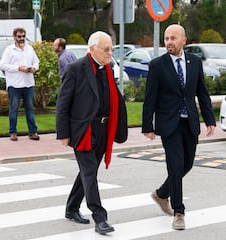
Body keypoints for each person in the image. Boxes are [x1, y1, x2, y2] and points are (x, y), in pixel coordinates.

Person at [142, 24, 216, 230]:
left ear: (184, 40)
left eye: (173, 38)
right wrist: (148, 125)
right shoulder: (157, 65)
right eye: (166, 39)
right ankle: (179, 211)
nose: (169, 42)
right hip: (169, 123)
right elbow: (150, 98)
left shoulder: (195, 62)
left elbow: (202, 92)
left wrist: (209, 119)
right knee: (175, 166)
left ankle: (161, 193)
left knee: (187, 165)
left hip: (189, 121)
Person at [56, 31, 127, 235]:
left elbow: (113, 96)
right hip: (83, 130)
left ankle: (71, 208)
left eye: (111, 49)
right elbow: (63, 104)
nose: (109, 53)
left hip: (103, 129)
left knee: (88, 172)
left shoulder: (108, 67)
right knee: (89, 172)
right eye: (106, 49)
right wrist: (64, 133)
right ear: (92, 49)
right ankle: (100, 217)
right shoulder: (75, 68)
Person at [0, 27, 40, 141]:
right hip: (14, 84)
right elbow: (3, 65)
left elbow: (36, 61)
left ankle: (33, 132)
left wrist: (34, 68)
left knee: (30, 108)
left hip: (28, 83)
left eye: (23, 36)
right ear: (14, 37)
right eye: (19, 36)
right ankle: (13, 132)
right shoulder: (9, 50)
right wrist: (18, 68)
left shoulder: (29, 49)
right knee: (14, 108)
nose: (22, 39)